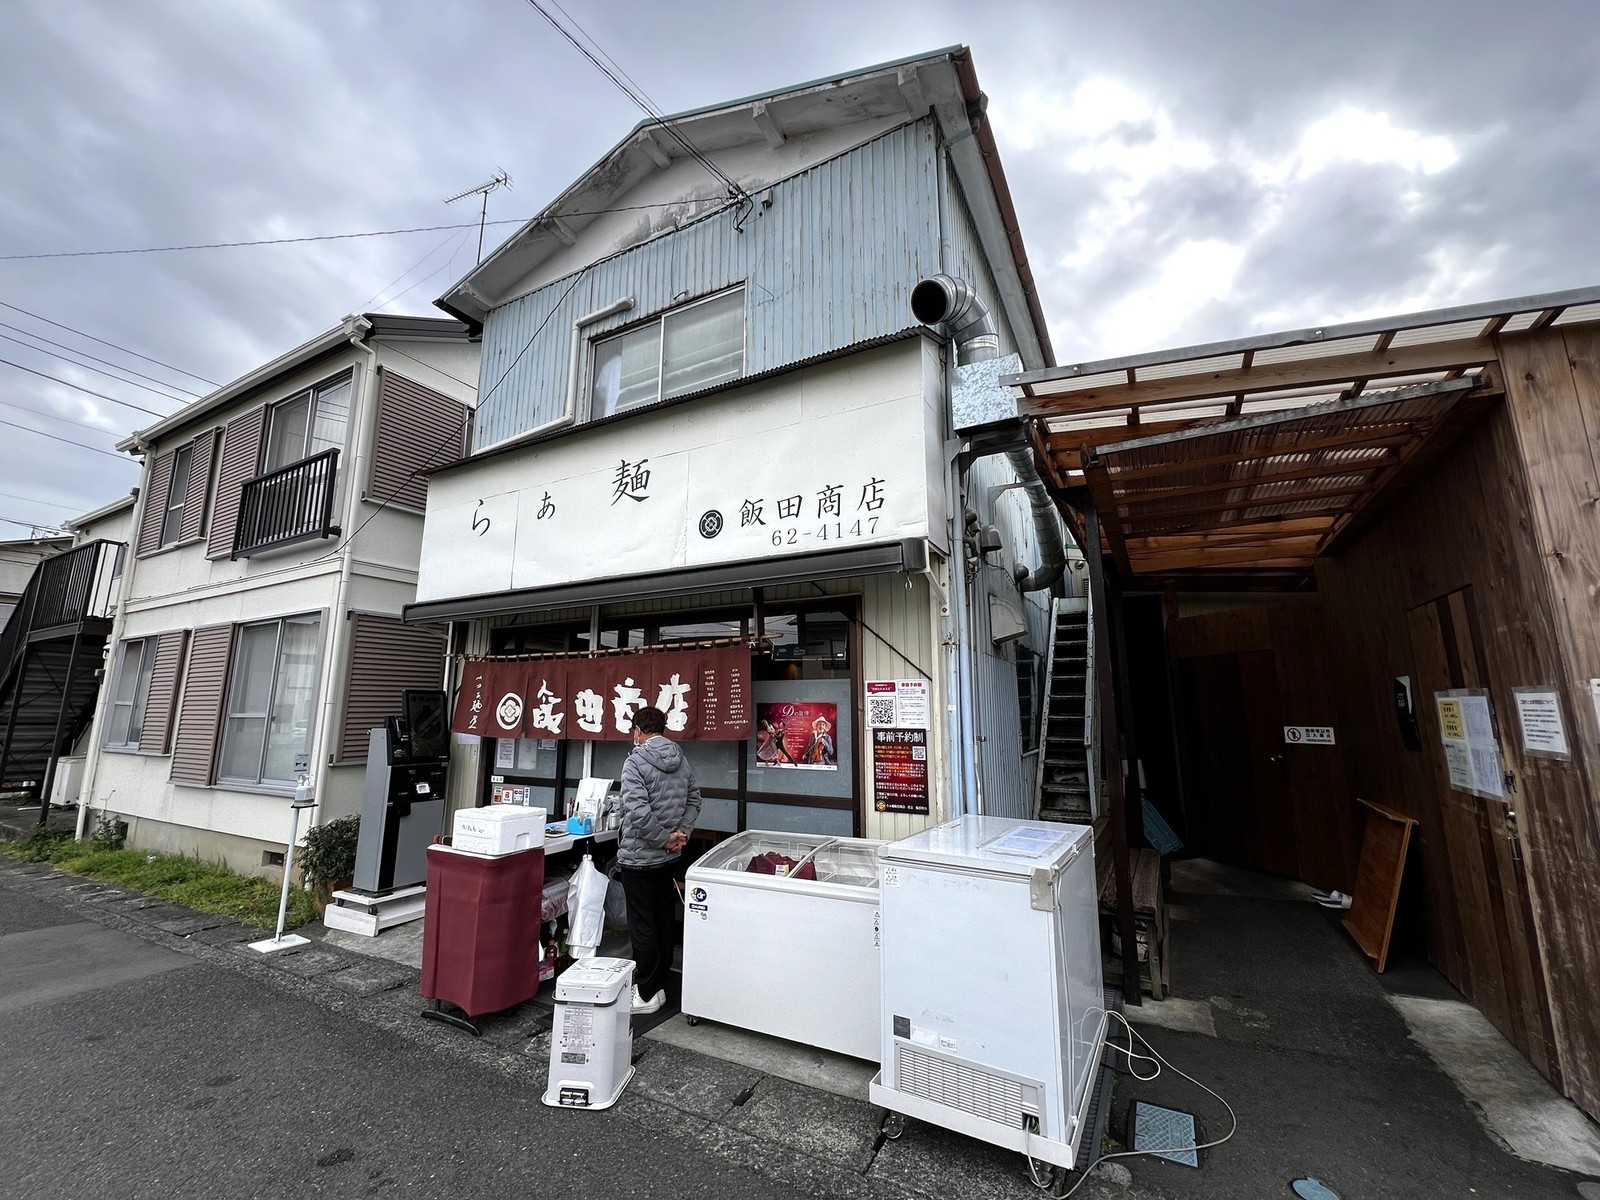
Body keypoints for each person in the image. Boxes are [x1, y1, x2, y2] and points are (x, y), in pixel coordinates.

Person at [618, 705, 701, 1015]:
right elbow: (695, 799)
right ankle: (661, 986)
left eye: (633, 732)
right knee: (665, 919)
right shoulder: (681, 760)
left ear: (639, 731)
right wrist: (682, 833)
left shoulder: (635, 762)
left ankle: (647, 992)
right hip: (669, 858)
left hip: (639, 859)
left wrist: (664, 838)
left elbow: (637, 812)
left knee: (643, 926)